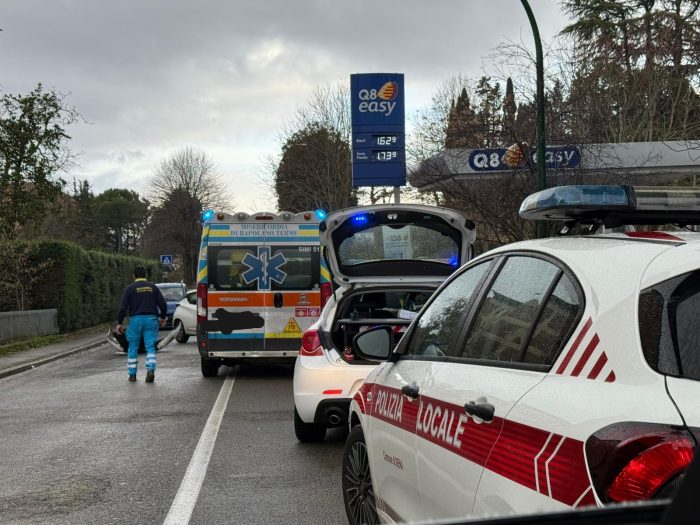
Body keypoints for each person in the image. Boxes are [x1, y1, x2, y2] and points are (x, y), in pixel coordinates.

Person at [116, 266, 167, 383]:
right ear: (146, 275)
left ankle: (132, 375)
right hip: (151, 319)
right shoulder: (152, 287)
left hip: (135, 321)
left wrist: (119, 323)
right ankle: (150, 370)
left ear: (134, 276)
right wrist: (163, 317)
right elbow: (163, 304)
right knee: (150, 346)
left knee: (133, 347)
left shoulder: (129, 289)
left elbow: (123, 307)